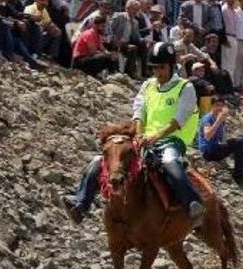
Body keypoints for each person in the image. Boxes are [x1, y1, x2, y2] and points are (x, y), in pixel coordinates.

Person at [59, 43, 205, 226]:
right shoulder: (148, 86)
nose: (158, 72)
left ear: (171, 65)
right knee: (102, 161)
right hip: (146, 139)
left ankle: (192, 204)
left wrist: (156, 136)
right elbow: (139, 111)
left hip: (172, 140)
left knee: (169, 162)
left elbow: (179, 120)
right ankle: (81, 203)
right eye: (155, 68)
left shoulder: (186, 87)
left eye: (162, 67)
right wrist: (138, 133)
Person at [198, 96, 243, 186]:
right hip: (208, 151)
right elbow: (208, 136)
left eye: (222, 105)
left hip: (217, 148)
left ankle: (241, 166)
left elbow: (223, 138)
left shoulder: (220, 118)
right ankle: (238, 175)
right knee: (240, 143)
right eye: (217, 105)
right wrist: (218, 120)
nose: (220, 108)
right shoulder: (207, 119)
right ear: (212, 106)